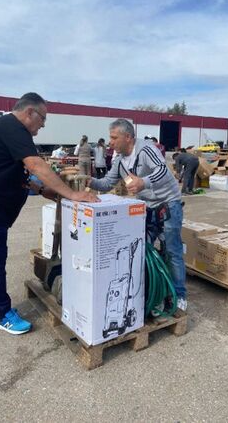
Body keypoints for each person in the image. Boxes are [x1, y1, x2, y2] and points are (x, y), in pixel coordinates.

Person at [0, 93, 99, 335]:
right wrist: (72, 195)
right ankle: (2, 313)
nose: (42, 126)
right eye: (42, 119)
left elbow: (14, 172)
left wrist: (43, 189)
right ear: (30, 112)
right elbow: (35, 165)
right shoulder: (12, 127)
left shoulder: (7, 128)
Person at [88, 118, 187, 311]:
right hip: (147, 207)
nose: (110, 142)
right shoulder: (119, 160)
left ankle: (179, 295)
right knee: (143, 249)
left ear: (128, 137)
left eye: (114, 138)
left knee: (172, 250)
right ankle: (153, 292)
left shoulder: (146, 149)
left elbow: (163, 172)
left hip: (168, 203)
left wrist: (143, 182)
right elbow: (108, 183)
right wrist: (88, 180)